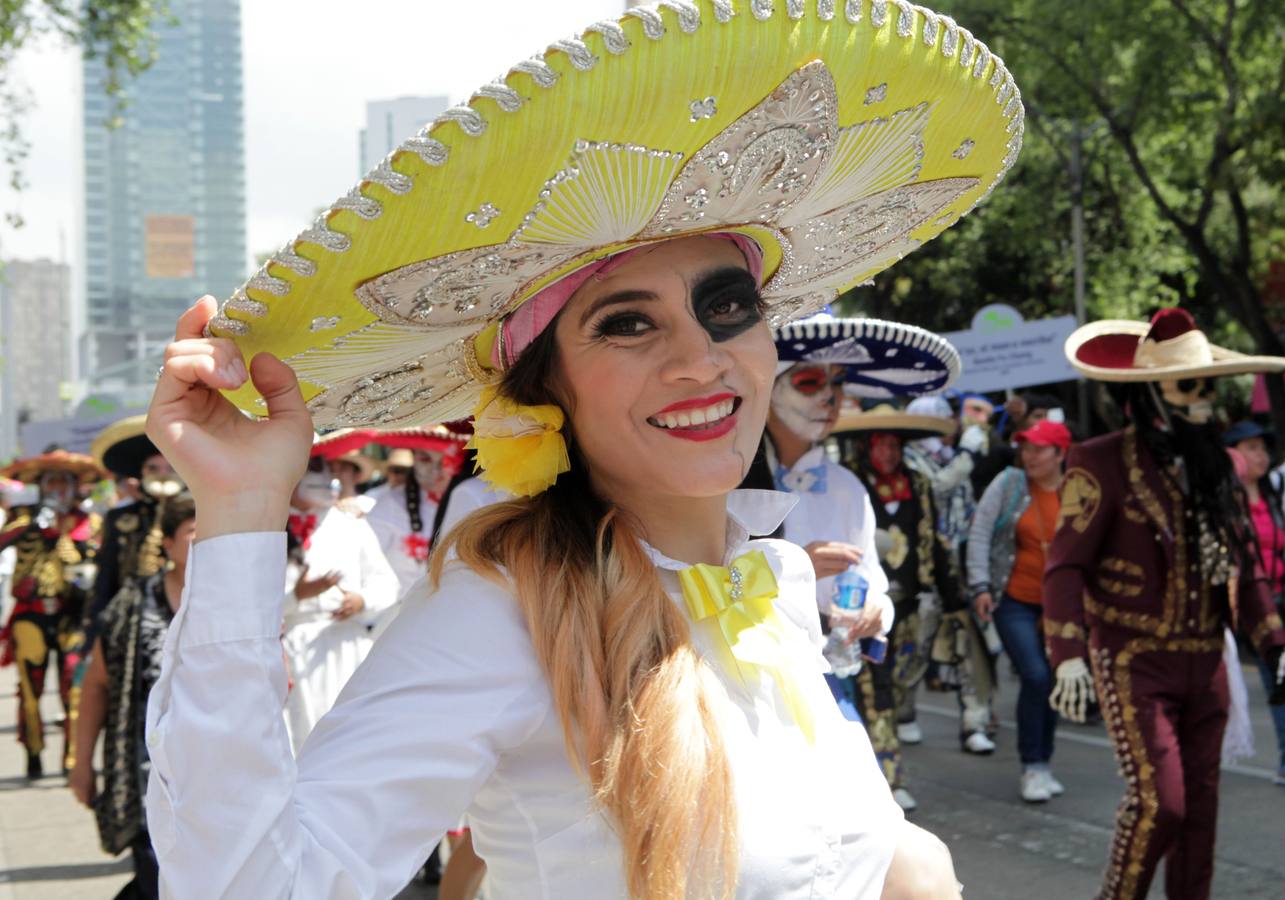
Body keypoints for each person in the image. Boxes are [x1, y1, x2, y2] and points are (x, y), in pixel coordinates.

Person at [141, 7, 1023, 896]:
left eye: (727, 308)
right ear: (546, 388)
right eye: (627, 324)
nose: (699, 360)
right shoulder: (503, 612)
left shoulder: (776, 581)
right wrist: (241, 513)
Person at [1046, 308, 1285, 899]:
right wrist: (1068, 653)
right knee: (1162, 805)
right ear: (1152, 392)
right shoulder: (1100, 461)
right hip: (1134, 659)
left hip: (1207, 660)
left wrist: (1275, 641)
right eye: (1189, 385)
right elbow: (1066, 563)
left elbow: (1244, 566)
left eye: (1208, 385)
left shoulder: (1218, 468)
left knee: (1201, 815)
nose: (1202, 400)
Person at [761, 314, 961, 727]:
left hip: (824, 679)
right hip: (747, 680)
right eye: (810, 382)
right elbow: (697, 584)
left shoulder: (847, 486)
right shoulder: (724, 478)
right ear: (766, 385)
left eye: (837, 382)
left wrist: (875, 612)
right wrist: (792, 568)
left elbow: (872, 582)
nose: (830, 399)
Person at [69, 492, 196, 900]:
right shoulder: (132, 606)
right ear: (168, 545)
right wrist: (81, 762)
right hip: (145, 778)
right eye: (195, 534)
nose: (206, 544)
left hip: (216, 778)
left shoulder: (238, 604)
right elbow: (97, 685)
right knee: (156, 876)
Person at [836, 404, 961, 811]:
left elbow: (935, 545)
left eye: (893, 445)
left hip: (910, 607)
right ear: (867, 447)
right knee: (880, 693)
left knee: (905, 682)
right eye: (880, 444)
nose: (887, 453)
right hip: (867, 607)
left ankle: (867, 764)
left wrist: (955, 599)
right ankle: (890, 777)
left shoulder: (919, 485)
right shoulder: (851, 487)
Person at [967, 418, 1071, 801]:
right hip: (1013, 599)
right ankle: (1032, 766)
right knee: (1036, 675)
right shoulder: (1009, 483)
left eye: (1039, 449)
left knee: (1058, 681)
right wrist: (979, 584)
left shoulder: (1078, 491)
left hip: (1061, 607)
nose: (1029, 456)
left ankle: (1045, 761)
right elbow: (980, 531)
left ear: (1060, 453)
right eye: (1026, 448)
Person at [283, 448, 400, 753]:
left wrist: (361, 600)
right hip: (295, 645)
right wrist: (297, 596)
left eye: (322, 468)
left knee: (353, 736)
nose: (321, 476)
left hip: (346, 642)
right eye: (312, 468)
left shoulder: (351, 524)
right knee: (301, 735)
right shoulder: (271, 526)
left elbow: (386, 581)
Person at [902, 395, 997, 755]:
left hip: (960, 567)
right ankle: (905, 713)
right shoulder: (912, 460)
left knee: (970, 646)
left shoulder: (953, 458)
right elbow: (937, 488)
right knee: (919, 645)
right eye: (941, 423)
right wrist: (967, 457)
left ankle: (975, 722)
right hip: (928, 570)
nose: (951, 429)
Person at [0, 450, 101, 777]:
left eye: (64, 481)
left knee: (73, 686)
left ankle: (71, 760)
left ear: (74, 486)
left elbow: (101, 557)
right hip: (31, 614)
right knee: (31, 688)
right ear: (41, 486)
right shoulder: (23, 518)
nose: (57, 488)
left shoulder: (89, 522)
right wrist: (32, 524)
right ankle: (33, 750)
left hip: (72, 614)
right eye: (51, 481)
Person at [1222, 419, 1285, 783]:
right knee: (1276, 678)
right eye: (1251, 448)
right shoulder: (1226, 503)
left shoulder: (1275, 495)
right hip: (1254, 606)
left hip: (1282, 595)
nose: (1259, 456)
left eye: (1263, 448)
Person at [88, 416, 185, 629]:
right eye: (154, 468)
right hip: (134, 617)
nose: (162, 475)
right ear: (142, 472)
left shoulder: (197, 517)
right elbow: (107, 576)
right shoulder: (120, 519)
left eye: (170, 468)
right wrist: (96, 626)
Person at [367, 431, 465, 602]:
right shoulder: (389, 505)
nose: (436, 469)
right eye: (425, 459)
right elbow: (367, 565)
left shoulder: (468, 499)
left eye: (445, 459)